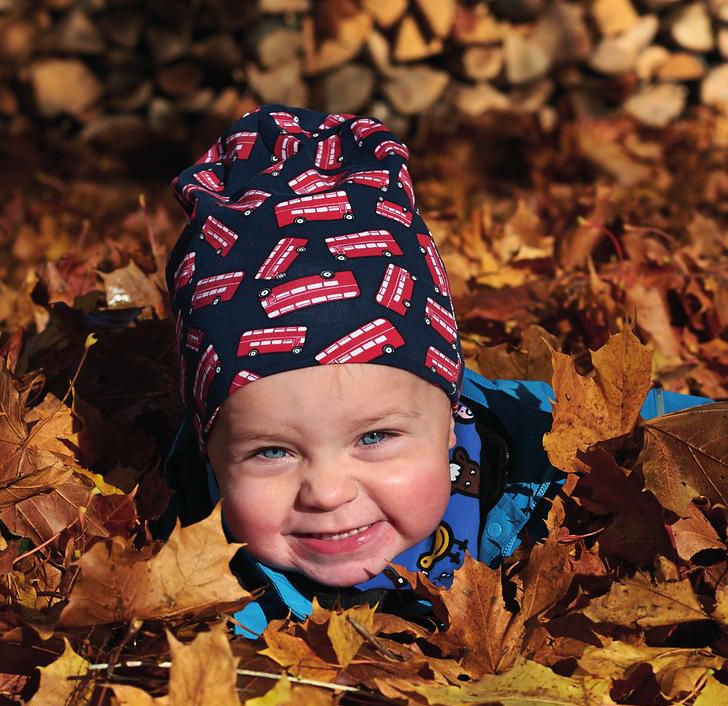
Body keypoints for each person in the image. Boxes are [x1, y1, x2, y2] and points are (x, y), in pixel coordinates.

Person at [160, 104, 709, 637]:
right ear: (211, 447)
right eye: (271, 451)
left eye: (374, 436)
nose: (326, 493)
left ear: (449, 415)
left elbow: (698, 431)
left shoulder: (538, 454)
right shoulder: (183, 560)